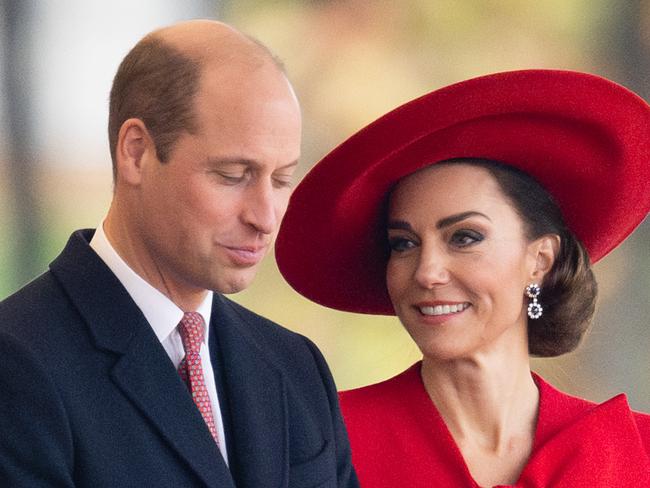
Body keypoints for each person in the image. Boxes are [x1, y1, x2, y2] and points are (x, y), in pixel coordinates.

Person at [0, 20, 358, 488]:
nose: (265, 216)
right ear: (136, 153)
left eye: (281, 179)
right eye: (233, 175)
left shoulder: (296, 365)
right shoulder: (17, 362)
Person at [275, 70, 650, 487]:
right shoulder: (319, 446)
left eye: (464, 237)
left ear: (540, 259)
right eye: (403, 244)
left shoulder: (636, 452)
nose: (427, 271)